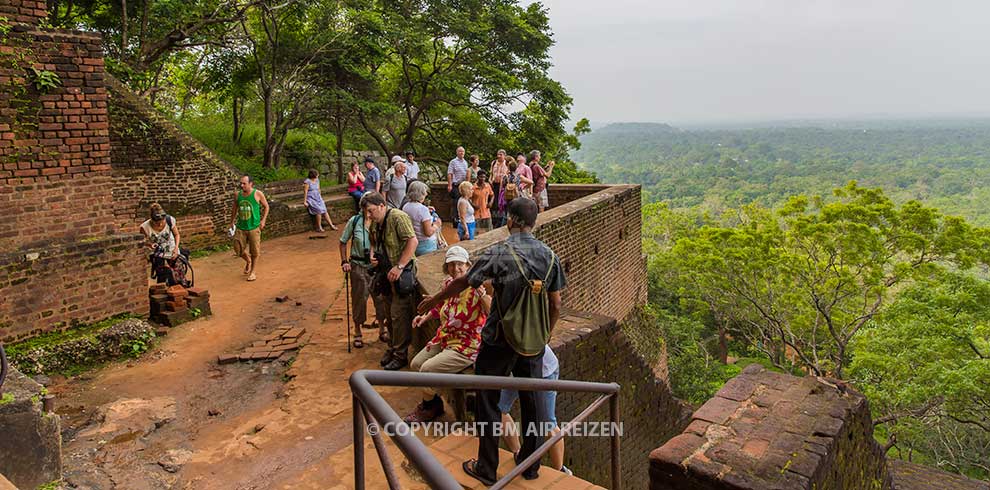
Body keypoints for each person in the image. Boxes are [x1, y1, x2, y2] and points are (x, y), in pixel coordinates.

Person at [418, 198, 566, 485]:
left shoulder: (500, 252)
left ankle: (487, 467)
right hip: (532, 343)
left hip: (499, 338)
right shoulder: (549, 255)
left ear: (510, 220)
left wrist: (436, 299)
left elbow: (467, 282)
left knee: (488, 400)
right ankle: (530, 463)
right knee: (532, 400)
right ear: (533, 222)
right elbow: (556, 304)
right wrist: (545, 333)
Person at [403, 246, 490, 423]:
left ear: (468, 266)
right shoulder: (448, 285)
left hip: (467, 345)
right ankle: (434, 403)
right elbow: (439, 307)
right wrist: (424, 318)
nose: (455, 268)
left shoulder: (476, 287)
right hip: (446, 337)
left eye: (459, 264)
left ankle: (427, 408)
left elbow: (491, 311)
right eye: (451, 264)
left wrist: (482, 296)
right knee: (416, 364)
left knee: (427, 370)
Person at [363, 192, 419, 370]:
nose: (369, 216)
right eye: (367, 213)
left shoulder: (397, 217)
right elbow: (374, 243)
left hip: (401, 273)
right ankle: (393, 348)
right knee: (388, 313)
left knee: (399, 314)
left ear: (382, 206)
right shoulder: (376, 224)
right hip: (386, 273)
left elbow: (412, 241)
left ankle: (400, 354)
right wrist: (373, 255)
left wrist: (400, 266)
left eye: (371, 211)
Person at [498, 346, 571, 475]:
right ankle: (519, 454)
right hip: (519, 371)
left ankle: (560, 471)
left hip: (543, 372)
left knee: (548, 423)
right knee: (499, 409)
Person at [339, 209, 389, 348]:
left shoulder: (378, 221)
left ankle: (381, 328)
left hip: (376, 267)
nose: (369, 211)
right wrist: (344, 262)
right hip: (358, 265)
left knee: (380, 298)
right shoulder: (355, 221)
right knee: (359, 298)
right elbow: (343, 241)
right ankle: (357, 331)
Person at [230, 175, 269, 282]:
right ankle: (248, 261)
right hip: (241, 227)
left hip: (254, 227)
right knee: (238, 249)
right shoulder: (237, 195)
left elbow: (266, 207)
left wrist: (263, 220)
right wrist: (231, 222)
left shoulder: (257, 194)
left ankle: (253, 272)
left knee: (254, 251)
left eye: (244, 183)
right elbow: (234, 209)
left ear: (251, 184)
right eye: (241, 183)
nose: (242, 185)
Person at [141, 203, 181, 284]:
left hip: (171, 249)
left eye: (162, 221)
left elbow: (177, 234)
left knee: (177, 273)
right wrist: (149, 244)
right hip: (157, 253)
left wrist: (176, 248)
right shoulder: (144, 227)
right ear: (151, 219)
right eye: (157, 223)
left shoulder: (170, 220)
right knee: (162, 273)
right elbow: (142, 241)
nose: (160, 224)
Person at [403, 181, 441, 256]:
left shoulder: (405, 206)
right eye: (424, 193)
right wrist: (437, 225)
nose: (426, 194)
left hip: (412, 243)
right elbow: (428, 232)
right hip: (426, 245)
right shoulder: (422, 209)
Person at [447, 146, 469, 225]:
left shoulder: (465, 162)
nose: (461, 153)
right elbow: (450, 173)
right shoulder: (453, 162)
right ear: (457, 152)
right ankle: (455, 220)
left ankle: (462, 219)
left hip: (463, 185)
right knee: (456, 203)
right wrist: (449, 185)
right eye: (460, 151)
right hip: (456, 185)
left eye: (463, 151)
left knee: (463, 202)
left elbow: (466, 174)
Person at [490, 150, 510, 226]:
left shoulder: (507, 163)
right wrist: (490, 180)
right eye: (498, 154)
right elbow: (491, 174)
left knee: (500, 202)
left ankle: (500, 220)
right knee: (494, 202)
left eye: (500, 154)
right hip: (494, 184)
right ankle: (494, 220)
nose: (498, 156)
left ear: (504, 155)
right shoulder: (494, 163)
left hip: (502, 185)